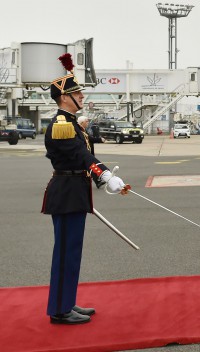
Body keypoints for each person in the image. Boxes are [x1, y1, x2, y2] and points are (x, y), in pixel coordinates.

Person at [42, 53, 127, 325]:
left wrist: (104, 178)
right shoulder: (61, 125)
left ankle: (66, 303)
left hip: (75, 193)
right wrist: (104, 175)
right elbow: (81, 157)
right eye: (77, 92)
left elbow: (84, 156)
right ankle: (58, 310)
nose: (82, 96)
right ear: (65, 97)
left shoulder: (73, 125)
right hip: (66, 194)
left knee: (72, 252)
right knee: (66, 252)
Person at [78, 116, 107, 188]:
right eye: (86, 121)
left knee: (92, 167)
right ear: (82, 123)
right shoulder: (80, 131)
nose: (88, 123)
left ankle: (97, 180)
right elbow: (90, 138)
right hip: (84, 154)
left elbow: (90, 139)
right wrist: (100, 140)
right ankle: (97, 180)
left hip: (88, 153)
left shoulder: (83, 130)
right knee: (91, 167)